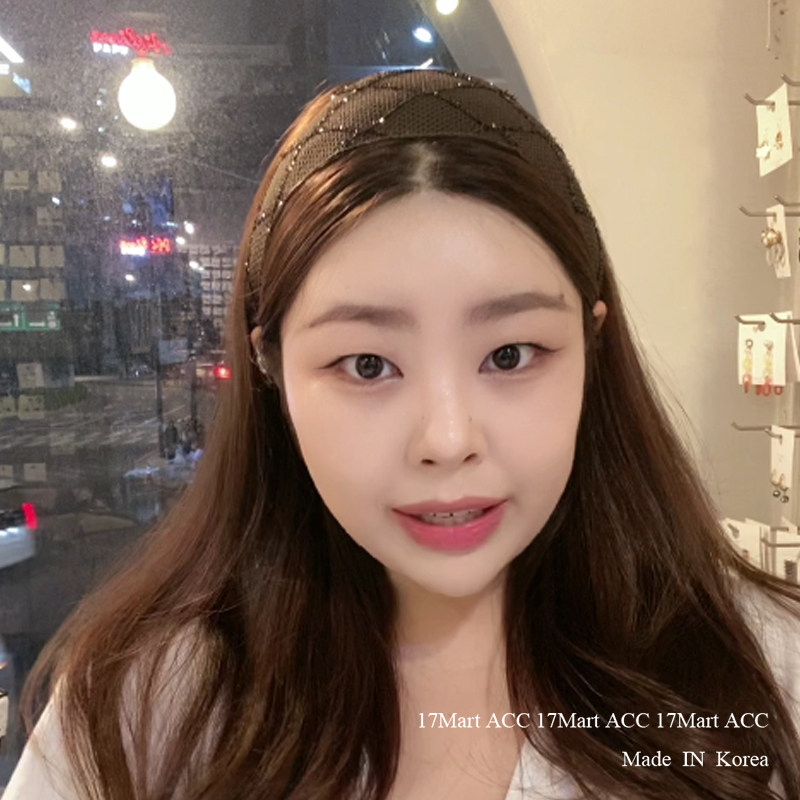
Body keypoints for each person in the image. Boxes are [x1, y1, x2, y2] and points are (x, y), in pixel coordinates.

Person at [5, 68, 800, 800]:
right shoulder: (140, 710)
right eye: (367, 365)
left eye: (510, 355)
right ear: (271, 369)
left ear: (592, 346)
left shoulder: (766, 669)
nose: (448, 440)